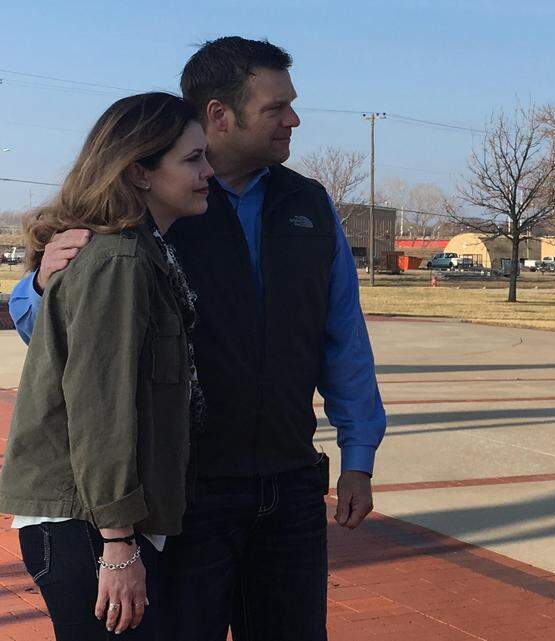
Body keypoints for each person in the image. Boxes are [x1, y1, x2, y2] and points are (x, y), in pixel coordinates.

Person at [8, 37, 386, 640]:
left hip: (288, 483)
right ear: (219, 115)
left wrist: (359, 455)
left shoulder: (308, 206)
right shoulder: (146, 219)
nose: (293, 119)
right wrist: (41, 282)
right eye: (276, 106)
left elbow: (343, 335)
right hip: (187, 496)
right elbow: (79, 360)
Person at [0, 92, 211, 639]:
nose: (208, 171)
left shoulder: (143, 251)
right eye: (192, 159)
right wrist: (117, 546)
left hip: (100, 521)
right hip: (88, 524)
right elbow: (100, 409)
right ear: (139, 173)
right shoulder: (118, 261)